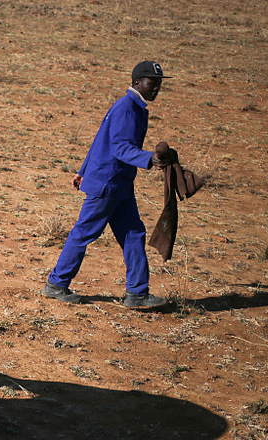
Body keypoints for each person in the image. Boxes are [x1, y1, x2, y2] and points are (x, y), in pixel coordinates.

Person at [42, 60, 171, 309]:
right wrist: (150, 159)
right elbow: (120, 147)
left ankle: (137, 293)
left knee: (133, 234)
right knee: (84, 233)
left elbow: (100, 138)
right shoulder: (127, 108)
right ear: (137, 83)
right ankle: (56, 284)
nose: (156, 89)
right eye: (151, 84)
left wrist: (83, 170)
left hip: (117, 183)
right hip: (108, 183)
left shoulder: (130, 106)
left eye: (158, 85)